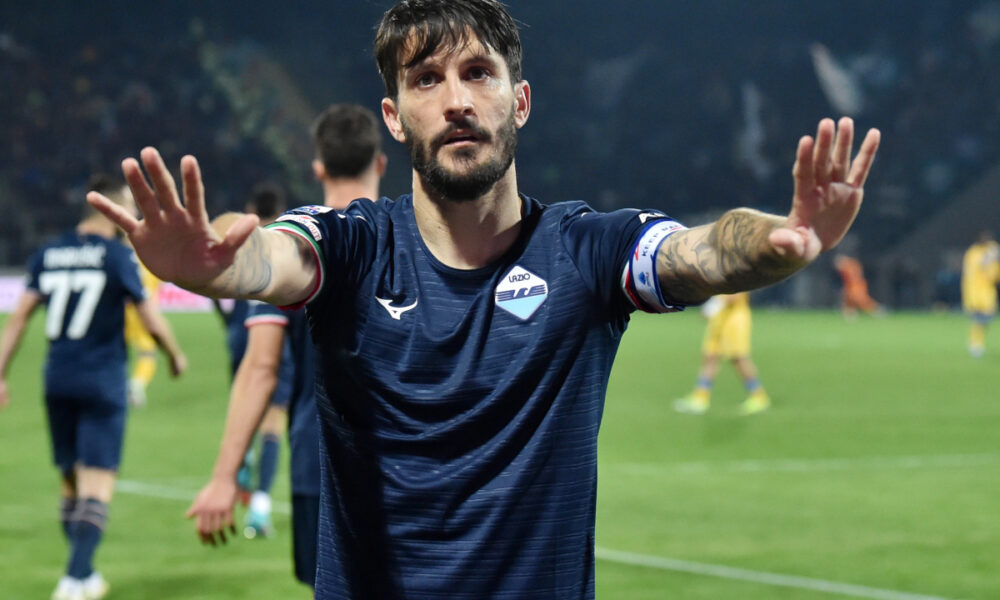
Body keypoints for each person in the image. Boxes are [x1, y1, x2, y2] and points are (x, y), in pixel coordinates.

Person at [88, 1, 881, 597]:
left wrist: (780, 241)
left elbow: (697, 251)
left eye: (478, 73)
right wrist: (212, 262)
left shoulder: (583, 250)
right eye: (426, 79)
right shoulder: (355, 245)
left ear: (520, 101)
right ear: (395, 119)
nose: (456, 99)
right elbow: (268, 255)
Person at [187, 103, 386, 590]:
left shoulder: (297, 250)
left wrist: (224, 474)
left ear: (317, 168)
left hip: (318, 461)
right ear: (380, 163)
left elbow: (261, 368)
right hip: (405, 467)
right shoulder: (408, 238)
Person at [0, 174, 186, 600]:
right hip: (101, 379)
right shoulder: (117, 256)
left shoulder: (49, 253)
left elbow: (17, 320)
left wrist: (0, 374)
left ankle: (85, 576)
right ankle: (73, 577)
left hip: (57, 377)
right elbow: (150, 316)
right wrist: (175, 355)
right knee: (97, 483)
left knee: (69, 482)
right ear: (114, 212)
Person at [213, 182, 295, 537]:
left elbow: (215, 284)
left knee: (245, 403)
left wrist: (229, 321)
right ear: (279, 211)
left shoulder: (242, 239)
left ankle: (242, 454)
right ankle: (259, 509)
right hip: (273, 336)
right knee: (273, 422)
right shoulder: (283, 240)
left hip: (239, 335)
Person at [673, 292, 770, 415]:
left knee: (738, 358)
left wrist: (713, 306)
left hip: (734, 319)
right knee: (710, 356)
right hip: (720, 318)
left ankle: (759, 396)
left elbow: (735, 294)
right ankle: (700, 397)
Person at [961, 230, 1000, 358]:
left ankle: (976, 344)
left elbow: (994, 275)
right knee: (979, 319)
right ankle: (975, 346)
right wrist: (991, 256)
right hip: (977, 293)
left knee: (984, 320)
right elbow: (982, 268)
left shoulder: (981, 254)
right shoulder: (975, 253)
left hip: (984, 293)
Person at [833, 254, 882, 319]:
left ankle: (878, 311)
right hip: (851, 287)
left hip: (856, 286)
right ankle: (850, 316)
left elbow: (855, 277)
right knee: (848, 302)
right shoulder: (850, 266)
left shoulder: (850, 266)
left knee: (863, 302)